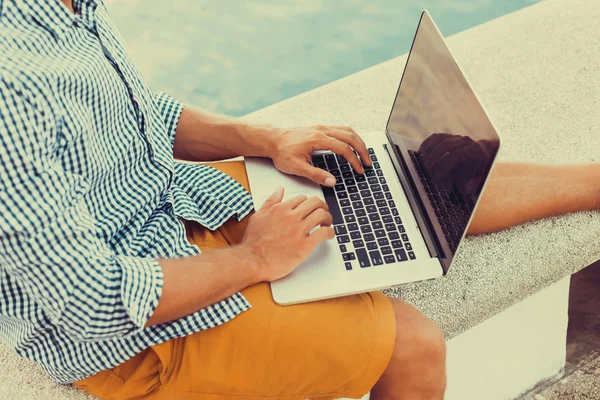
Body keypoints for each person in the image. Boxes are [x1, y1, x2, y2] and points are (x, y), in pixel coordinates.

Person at [0, 1, 598, 399]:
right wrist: (254, 259)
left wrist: (264, 138)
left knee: (379, 178)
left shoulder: (68, 9)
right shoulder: (12, 79)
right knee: (414, 347)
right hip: (127, 331)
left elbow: (133, 114)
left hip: (168, 206)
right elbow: (87, 300)